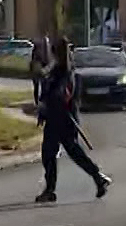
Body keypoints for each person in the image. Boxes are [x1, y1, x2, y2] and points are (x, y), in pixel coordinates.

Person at [34, 37, 111, 204]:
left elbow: (63, 94)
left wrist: (52, 101)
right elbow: (46, 94)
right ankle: (50, 190)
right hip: (53, 119)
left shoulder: (67, 73)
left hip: (65, 119)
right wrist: (42, 111)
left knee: (74, 153)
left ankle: (98, 177)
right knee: (49, 154)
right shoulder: (54, 70)